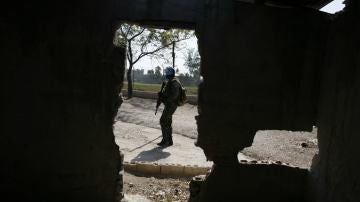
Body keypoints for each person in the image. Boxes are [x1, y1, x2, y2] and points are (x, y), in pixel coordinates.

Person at [157, 67, 182, 147]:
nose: (165, 74)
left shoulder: (174, 82)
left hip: (171, 105)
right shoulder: (170, 81)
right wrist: (162, 96)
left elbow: (174, 95)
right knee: (167, 122)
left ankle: (165, 140)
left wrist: (164, 98)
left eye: (166, 73)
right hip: (169, 105)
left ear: (169, 73)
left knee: (163, 121)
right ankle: (169, 140)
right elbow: (167, 92)